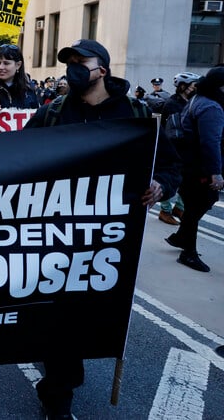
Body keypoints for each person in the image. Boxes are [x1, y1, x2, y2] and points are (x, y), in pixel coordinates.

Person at [25, 39, 181, 419]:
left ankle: (61, 369)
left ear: (103, 70)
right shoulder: (53, 112)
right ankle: (59, 393)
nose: (73, 68)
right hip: (57, 234)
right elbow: (18, 154)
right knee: (60, 311)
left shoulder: (137, 115)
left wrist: (160, 184)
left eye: (82, 62)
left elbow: (171, 166)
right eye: (70, 63)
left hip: (109, 239)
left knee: (88, 313)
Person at [165, 66, 224, 273]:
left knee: (195, 205)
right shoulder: (211, 108)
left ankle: (181, 237)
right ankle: (188, 253)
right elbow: (211, 142)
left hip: (188, 164)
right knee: (199, 204)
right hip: (199, 168)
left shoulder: (196, 100)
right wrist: (215, 172)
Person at [157, 72, 201, 225]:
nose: (195, 88)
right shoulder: (172, 103)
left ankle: (179, 208)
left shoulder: (191, 101)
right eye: (193, 86)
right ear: (183, 86)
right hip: (173, 147)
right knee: (171, 178)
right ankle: (165, 211)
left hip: (186, 148)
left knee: (186, 179)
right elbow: (175, 130)